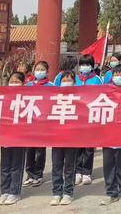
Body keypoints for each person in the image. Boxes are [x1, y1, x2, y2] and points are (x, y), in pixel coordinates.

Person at [101, 65, 121, 206]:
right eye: (117, 74)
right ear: (112, 76)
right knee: (108, 166)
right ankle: (111, 193)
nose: (119, 77)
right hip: (108, 135)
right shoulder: (105, 91)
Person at [0, 72, 26, 206]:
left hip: (20, 136)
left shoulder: (28, 98)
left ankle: (14, 192)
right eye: (11, 81)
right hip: (5, 135)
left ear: (23, 83)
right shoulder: (4, 96)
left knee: (16, 165)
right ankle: (4, 191)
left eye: (17, 81)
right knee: (5, 165)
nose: (13, 84)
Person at [23, 61, 53, 187]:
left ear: (47, 71)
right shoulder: (28, 85)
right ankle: (29, 174)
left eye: (42, 69)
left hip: (43, 123)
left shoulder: (51, 86)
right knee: (29, 150)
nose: (39, 71)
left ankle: (38, 174)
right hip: (30, 122)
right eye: (37, 69)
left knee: (40, 150)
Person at [50, 70, 78, 206]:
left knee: (69, 167)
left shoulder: (80, 97)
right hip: (56, 137)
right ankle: (56, 192)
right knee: (56, 166)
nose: (67, 82)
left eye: (70, 80)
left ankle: (68, 192)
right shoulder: (53, 96)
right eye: (64, 80)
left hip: (72, 138)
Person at [75, 54, 102, 186]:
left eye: (87, 64)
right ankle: (77, 171)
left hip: (90, 117)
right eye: (82, 64)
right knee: (76, 146)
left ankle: (86, 172)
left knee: (89, 147)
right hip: (76, 117)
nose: (84, 67)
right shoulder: (74, 78)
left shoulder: (97, 79)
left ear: (92, 66)